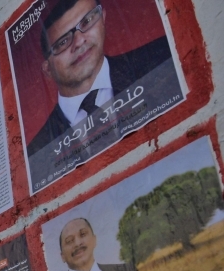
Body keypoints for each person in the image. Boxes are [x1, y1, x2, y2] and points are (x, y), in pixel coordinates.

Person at [26, 0, 174, 155]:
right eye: (62, 42)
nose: (79, 41)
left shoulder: (166, 58)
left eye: (87, 21)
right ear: (48, 69)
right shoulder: (36, 154)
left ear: (103, 18)